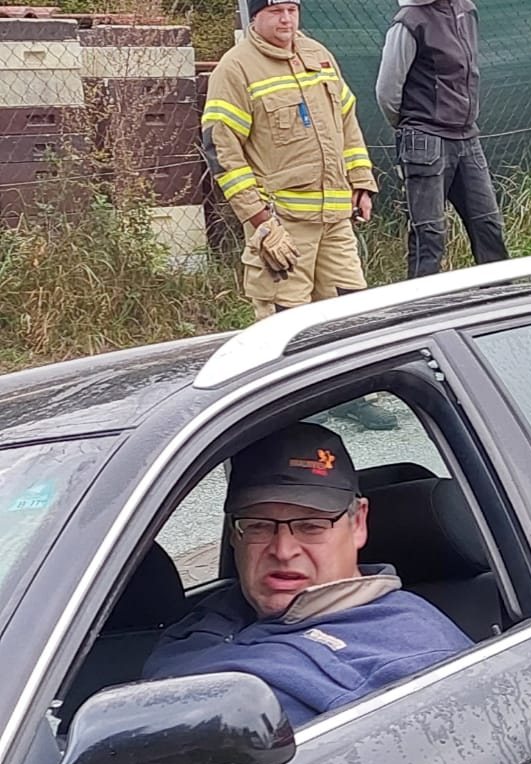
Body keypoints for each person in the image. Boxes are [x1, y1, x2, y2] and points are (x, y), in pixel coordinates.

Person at [144, 423, 471, 726]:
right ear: (233, 532)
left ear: (358, 523)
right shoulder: (217, 611)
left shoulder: (411, 664)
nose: (283, 550)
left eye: (311, 526)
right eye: (258, 526)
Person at [200, 0, 395, 431]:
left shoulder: (318, 55)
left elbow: (347, 121)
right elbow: (222, 151)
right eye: (276, 12)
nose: (287, 20)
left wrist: (361, 181)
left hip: (335, 216)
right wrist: (259, 221)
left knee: (349, 308)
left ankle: (352, 396)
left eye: (292, 9)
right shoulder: (236, 69)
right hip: (282, 224)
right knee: (286, 321)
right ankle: (289, 411)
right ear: (255, 16)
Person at [377, 0, 509, 278]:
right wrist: (413, 125)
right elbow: (387, 91)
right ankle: (422, 303)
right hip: (424, 139)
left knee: (488, 226)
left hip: (467, 136)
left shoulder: (466, 9)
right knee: (429, 236)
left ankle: (502, 296)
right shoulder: (409, 21)